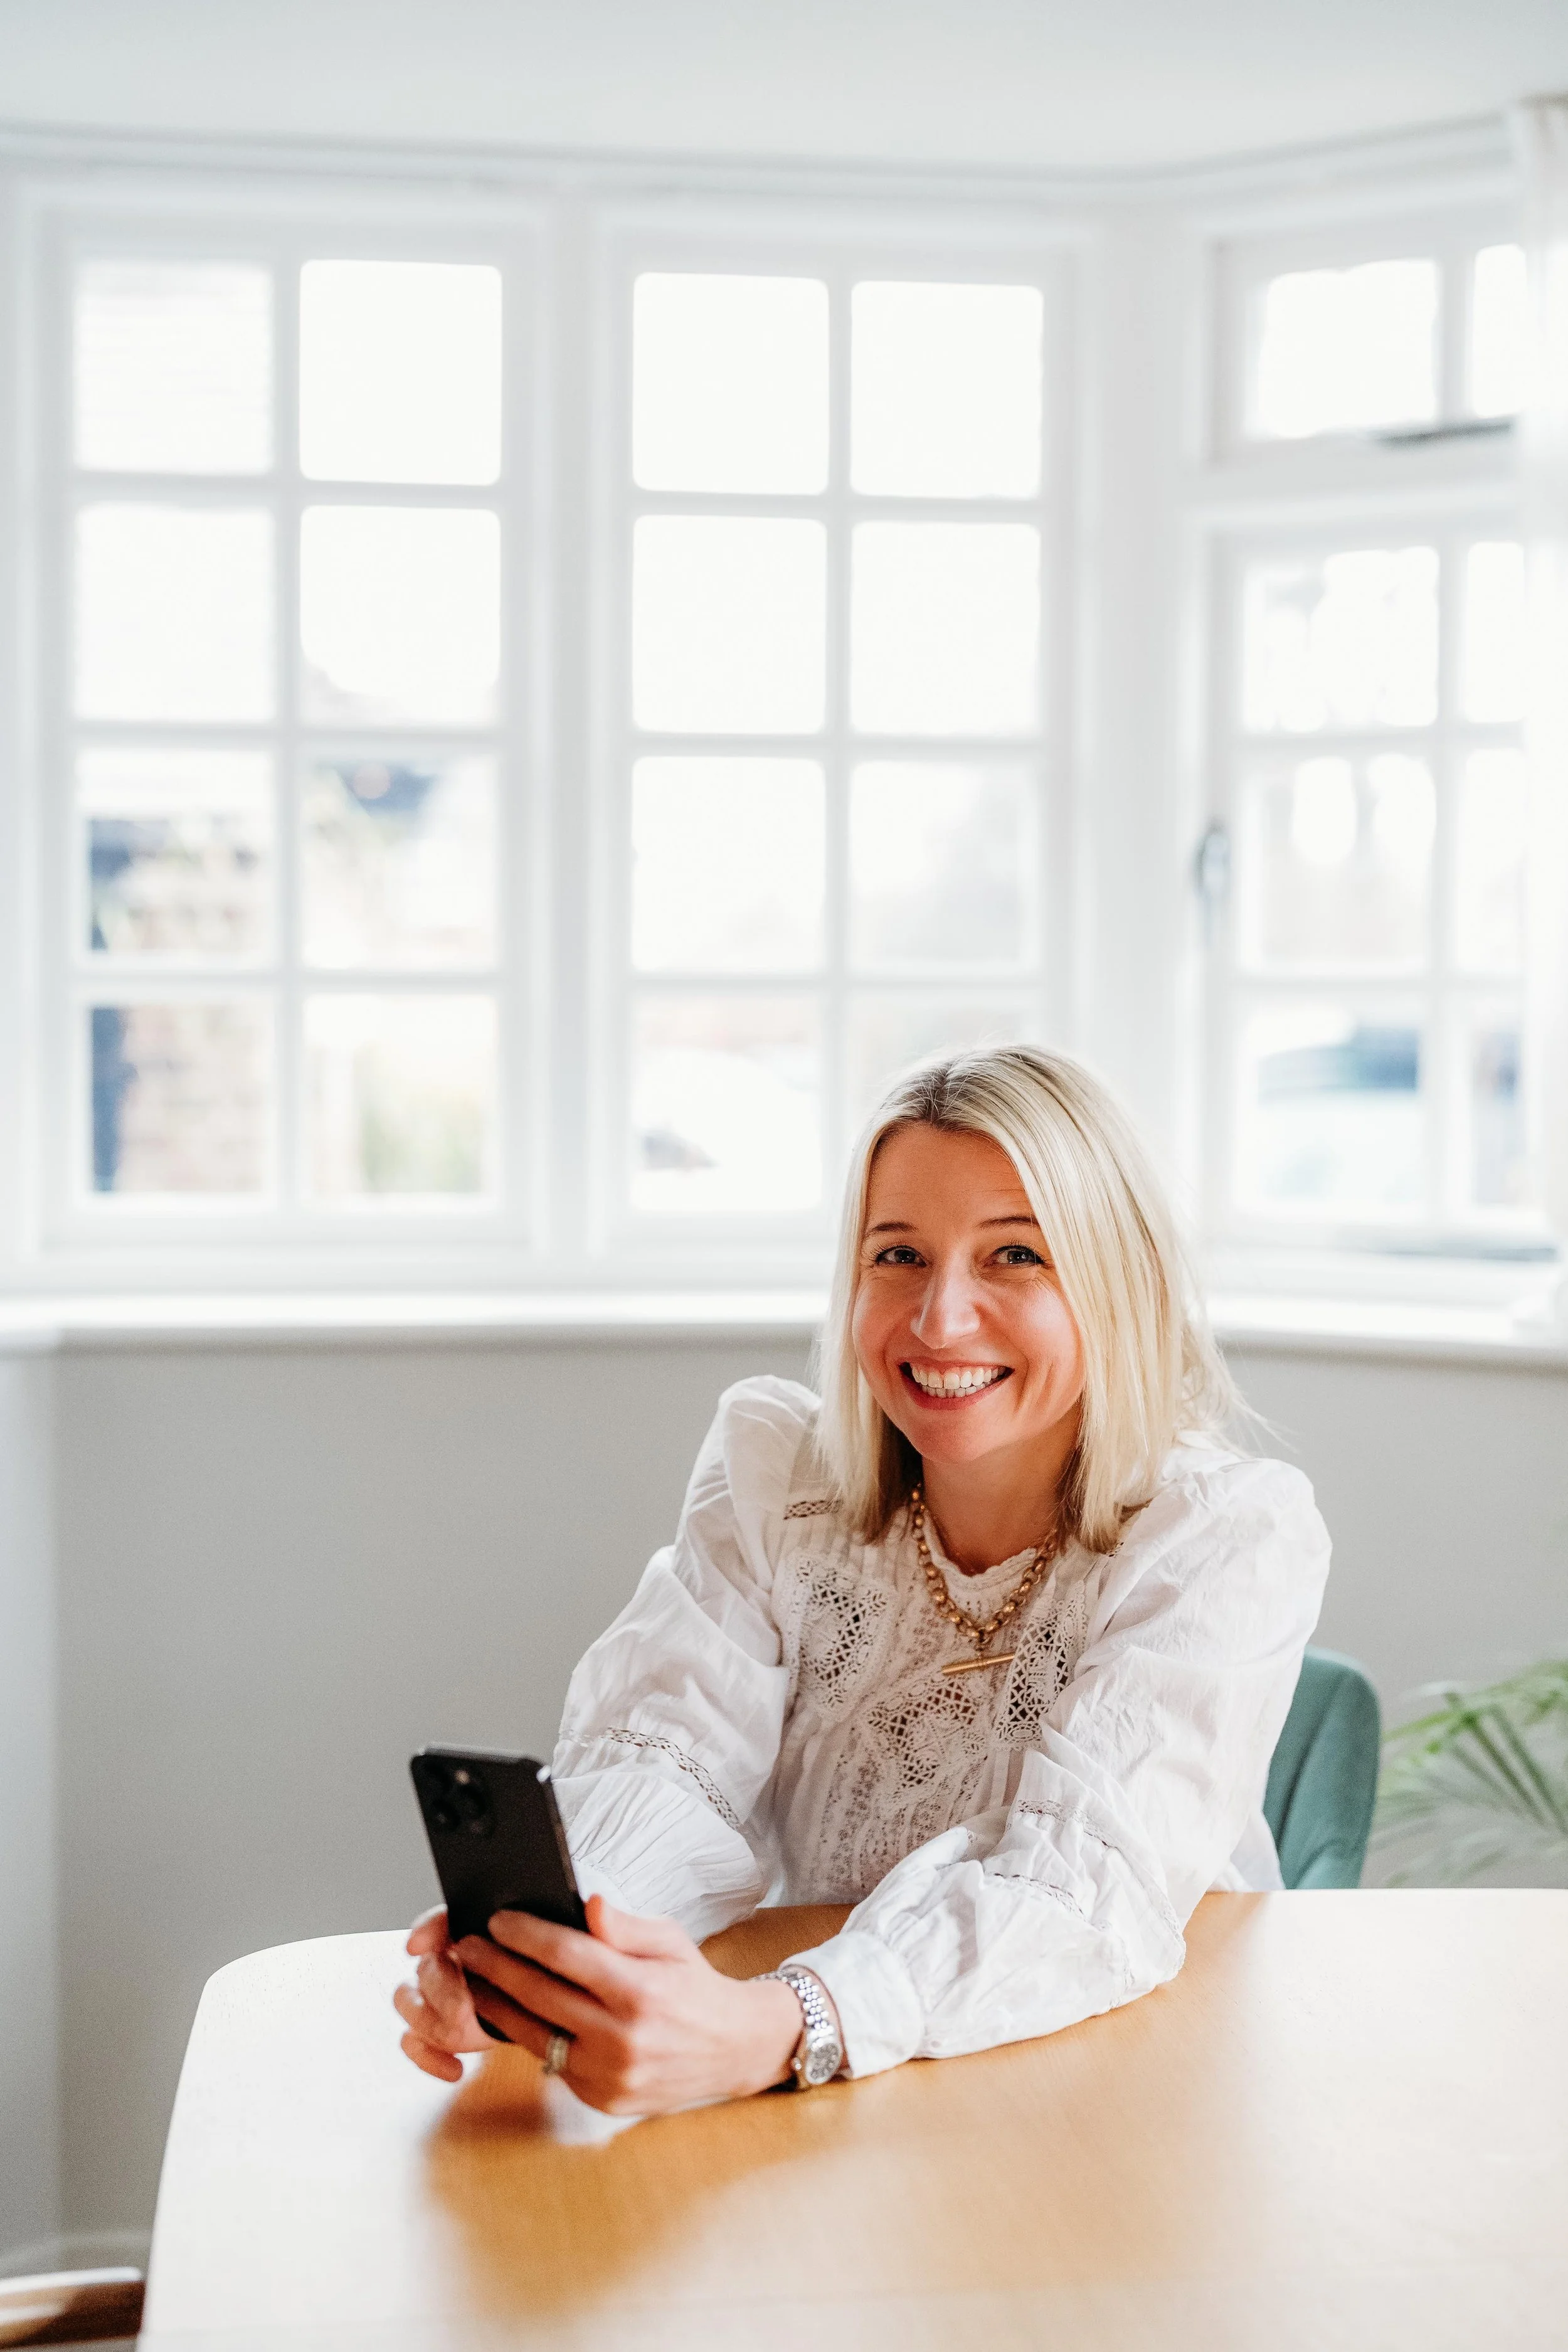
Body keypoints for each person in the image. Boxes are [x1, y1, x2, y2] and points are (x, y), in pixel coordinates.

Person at [395, 1045, 1329, 2114]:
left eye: (1015, 1255)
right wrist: (569, 1952)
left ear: (1119, 1283)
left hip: (1118, 2089)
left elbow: (1082, 1886)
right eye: (898, 1255)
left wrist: (783, 2022)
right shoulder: (776, 1477)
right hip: (848, 2096)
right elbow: (674, 1760)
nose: (940, 1320)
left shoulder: (1228, 1534)